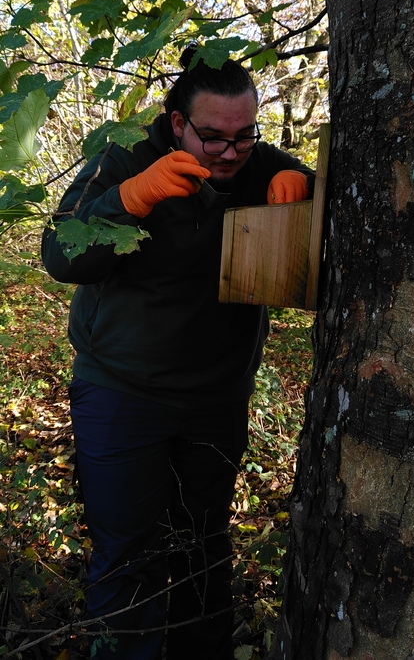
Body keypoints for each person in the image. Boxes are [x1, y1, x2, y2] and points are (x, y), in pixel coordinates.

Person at [41, 46, 314, 660]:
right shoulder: (124, 157)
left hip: (215, 398)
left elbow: (319, 197)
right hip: (122, 392)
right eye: (212, 137)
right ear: (176, 123)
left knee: (203, 550)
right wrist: (131, 198)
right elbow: (62, 255)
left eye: (245, 137)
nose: (229, 152)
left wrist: (304, 189)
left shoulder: (253, 160)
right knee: (127, 557)